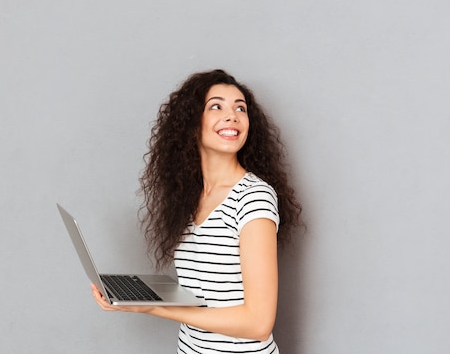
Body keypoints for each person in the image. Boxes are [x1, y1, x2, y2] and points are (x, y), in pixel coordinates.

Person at [91, 69, 302, 354]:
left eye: (240, 108)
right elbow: (205, 291)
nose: (233, 115)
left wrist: (153, 308)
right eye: (216, 106)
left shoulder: (253, 198)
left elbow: (258, 323)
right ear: (192, 123)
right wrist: (140, 292)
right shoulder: (188, 197)